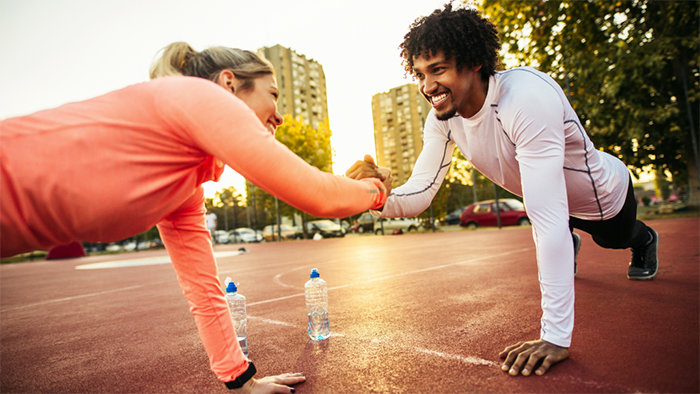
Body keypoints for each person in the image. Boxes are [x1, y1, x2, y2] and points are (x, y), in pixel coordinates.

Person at [0, 42, 391, 393]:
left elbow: (203, 289)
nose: (280, 117)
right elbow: (317, 195)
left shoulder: (184, 181)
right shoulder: (197, 95)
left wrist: (241, 380)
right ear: (228, 83)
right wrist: (376, 192)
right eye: (273, 95)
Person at [347, 3, 659, 378]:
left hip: (602, 196)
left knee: (613, 238)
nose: (427, 87)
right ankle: (570, 239)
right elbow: (422, 192)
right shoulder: (443, 118)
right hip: (553, 203)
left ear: (473, 61)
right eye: (420, 74)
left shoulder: (525, 97)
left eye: (438, 70)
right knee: (557, 228)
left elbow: (547, 223)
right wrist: (375, 195)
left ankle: (644, 240)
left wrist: (556, 337)